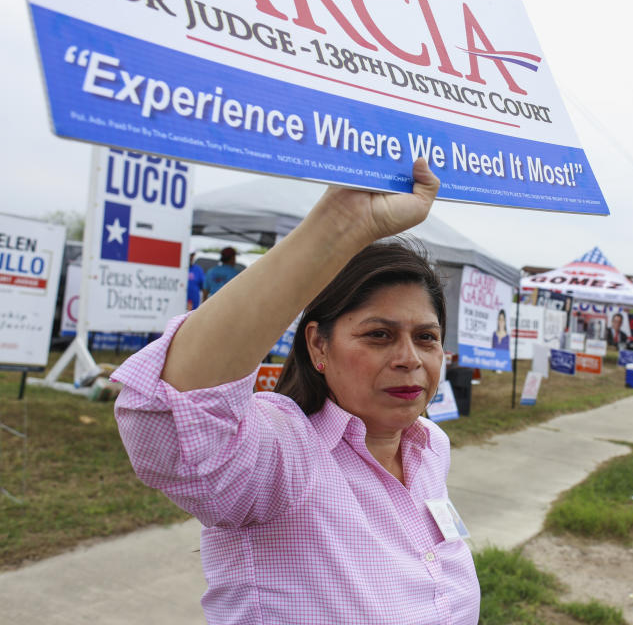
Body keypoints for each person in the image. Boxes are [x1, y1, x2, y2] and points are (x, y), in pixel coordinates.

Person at [111, 160, 481, 623]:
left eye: (426, 337)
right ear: (317, 346)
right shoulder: (286, 455)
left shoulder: (431, 447)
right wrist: (341, 226)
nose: (410, 358)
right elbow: (172, 416)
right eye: (379, 335)